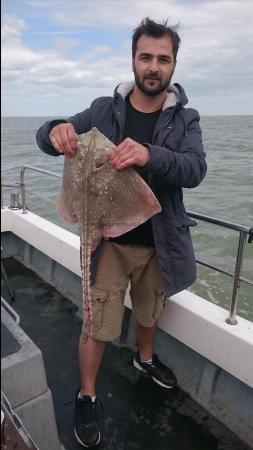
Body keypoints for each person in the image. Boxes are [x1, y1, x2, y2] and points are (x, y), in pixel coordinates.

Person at [36, 17, 207, 447]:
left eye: (163, 59)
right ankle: (87, 393)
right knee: (96, 324)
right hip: (108, 242)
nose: (153, 66)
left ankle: (144, 360)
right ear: (133, 59)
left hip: (159, 242)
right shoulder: (102, 110)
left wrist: (151, 154)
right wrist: (54, 130)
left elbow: (195, 169)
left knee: (150, 312)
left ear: (173, 65)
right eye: (145, 56)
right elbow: (48, 136)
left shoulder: (185, 119)